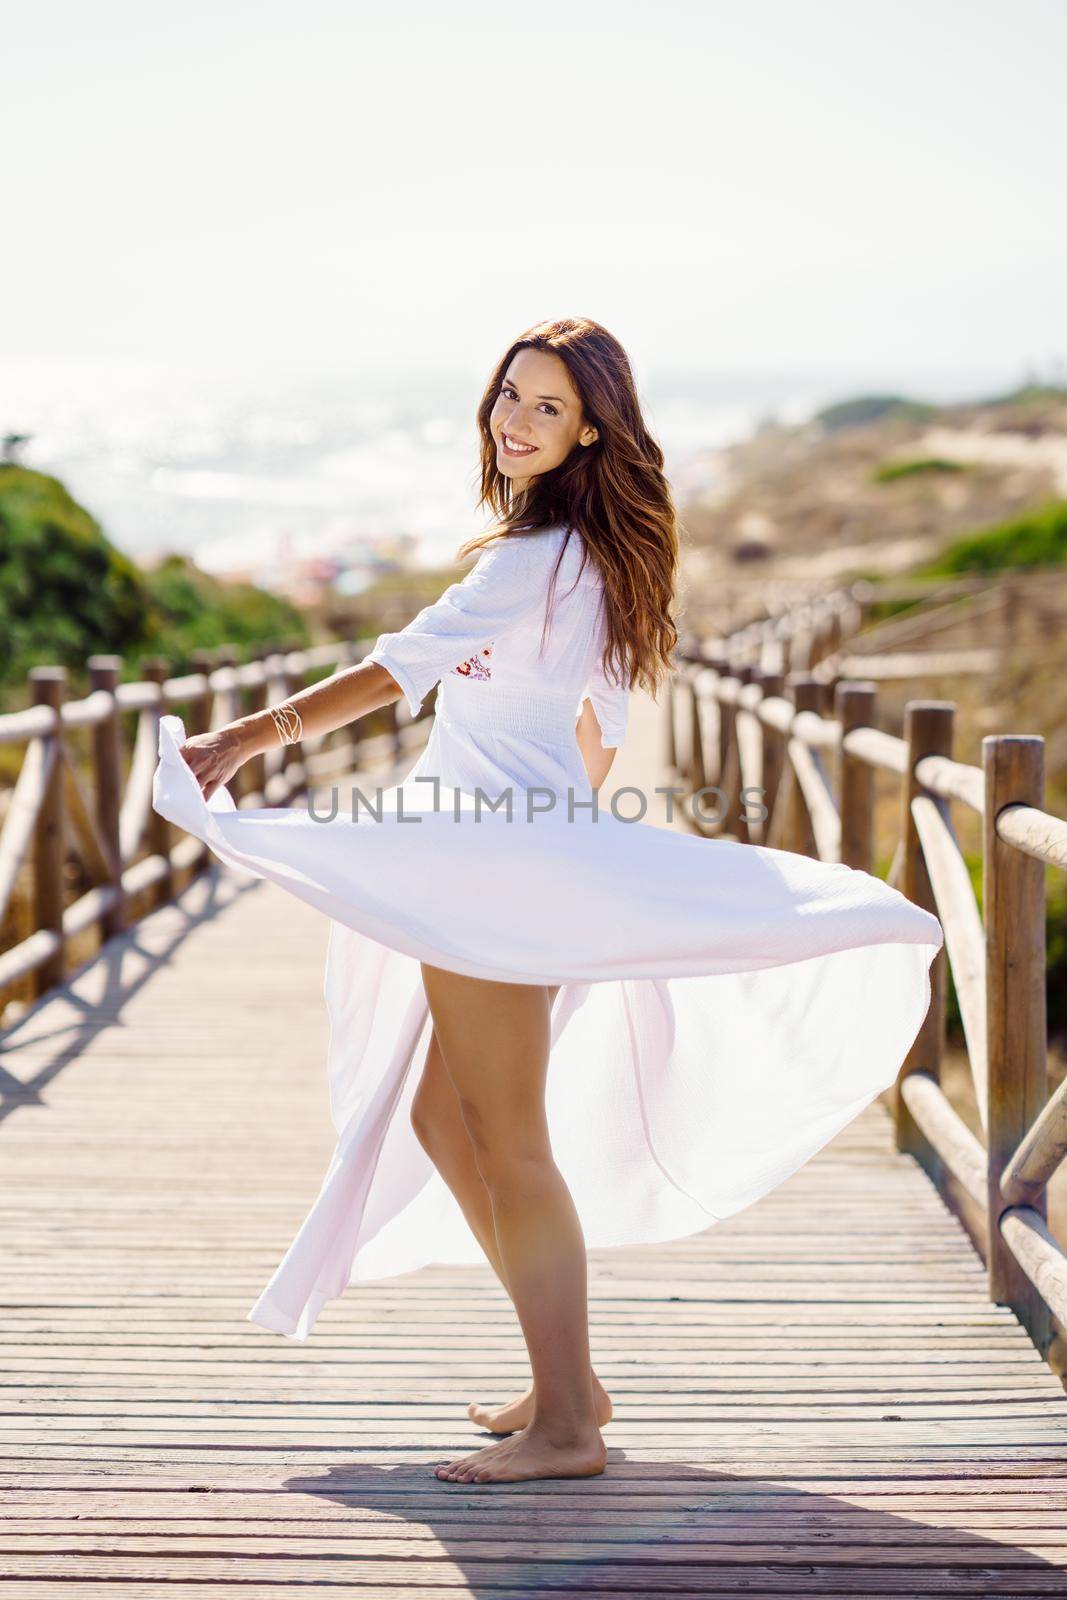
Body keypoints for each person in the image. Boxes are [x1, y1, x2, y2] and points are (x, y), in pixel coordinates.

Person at [153, 317, 943, 1487]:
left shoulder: (530, 559)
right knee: (443, 1119)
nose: (513, 423)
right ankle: (566, 1376)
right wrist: (556, 831)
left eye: (545, 410)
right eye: (508, 397)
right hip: (503, 860)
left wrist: (236, 740)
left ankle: (569, 1423)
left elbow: (394, 670)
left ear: (588, 435)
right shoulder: (587, 557)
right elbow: (598, 724)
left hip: (490, 869)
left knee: (510, 1143)